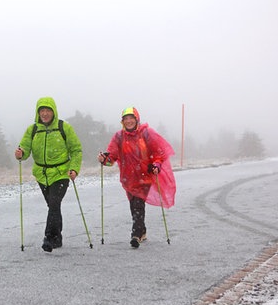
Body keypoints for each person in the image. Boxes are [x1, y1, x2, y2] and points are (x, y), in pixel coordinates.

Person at [97, 107, 176, 248]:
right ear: (122, 122)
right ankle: (142, 230)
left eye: (131, 118)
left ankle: (136, 234)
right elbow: (112, 157)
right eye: (125, 119)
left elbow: (158, 153)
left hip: (144, 176)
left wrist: (156, 165)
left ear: (136, 119)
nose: (128, 121)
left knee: (138, 203)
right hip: (128, 178)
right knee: (133, 204)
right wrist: (104, 159)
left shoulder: (147, 133)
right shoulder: (119, 137)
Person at [15, 97, 83, 252]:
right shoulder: (33, 130)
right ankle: (57, 237)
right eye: (42, 111)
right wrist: (20, 153)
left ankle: (49, 238)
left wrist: (74, 169)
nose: (45, 114)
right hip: (41, 174)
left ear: (54, 111)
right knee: (53, 205)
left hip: (61, 173)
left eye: (48, 110)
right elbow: (24, 150)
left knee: (53, 203)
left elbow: (76, 150)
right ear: (38, 112)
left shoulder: (63, 128)